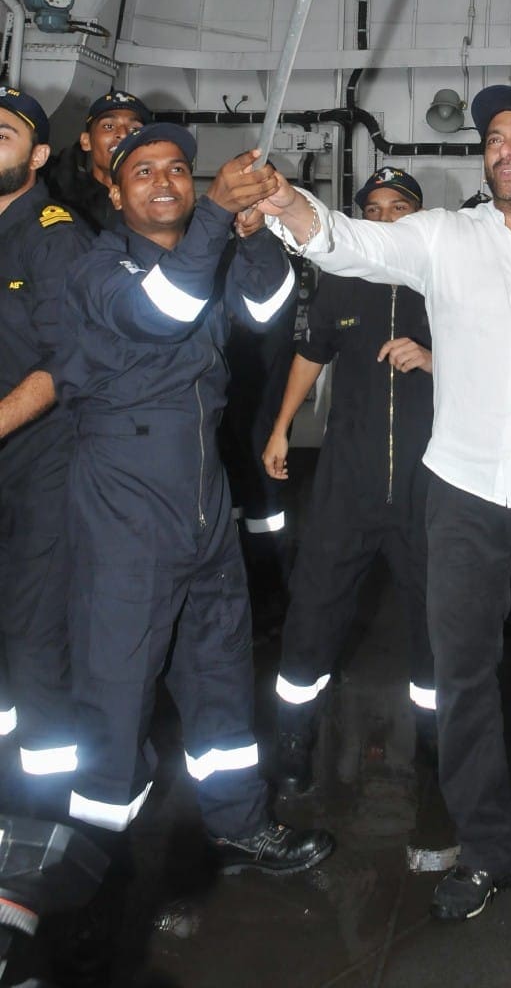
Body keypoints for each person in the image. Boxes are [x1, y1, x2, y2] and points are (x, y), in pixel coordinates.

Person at [259, 84, 511, 926]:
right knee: (463, 678)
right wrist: (282, 202)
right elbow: (341, 241)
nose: (505, 149)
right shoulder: (442, 237)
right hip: (460, 495)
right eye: (493, 138)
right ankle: (489, 850)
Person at [53, 122, 334, 875]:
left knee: (218, 673)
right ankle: (85, 867)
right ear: (113, 191)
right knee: (116, 690)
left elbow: (272, 308)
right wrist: (214, 214)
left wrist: (254, 231)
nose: (165, 182)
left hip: (203, 501)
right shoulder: (96, 266)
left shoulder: (206, 254)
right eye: (142, 172)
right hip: (125, 501)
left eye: (178, 168)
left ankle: (237, 819)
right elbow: (159, 315)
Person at [266, 167, 436, 796]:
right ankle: (293, 738)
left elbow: (497, 358)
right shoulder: (341, 279)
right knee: (314, 609)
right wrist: (282, 426)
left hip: (429, 484)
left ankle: (438, 743)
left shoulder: (444, 280)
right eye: (375, 208)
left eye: (400, 206)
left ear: (419, 216)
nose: (386, 216)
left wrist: (433, 359)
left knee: (436, 619)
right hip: (347, 482)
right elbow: (310, 353)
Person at [0, 85, 91, 815]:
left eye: (3, 132)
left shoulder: (54, 233)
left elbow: (68, 360)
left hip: (43, 460)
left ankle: (46, 808)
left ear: (36, 156)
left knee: (34, 635)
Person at [43, 90, 150, 233]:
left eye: (135, 129)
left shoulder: (160, 201)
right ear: (86, 141)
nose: (124, 134)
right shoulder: (62, 202)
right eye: (109, 126)